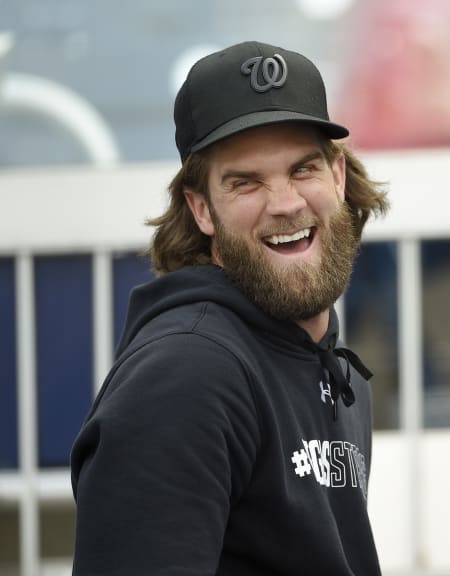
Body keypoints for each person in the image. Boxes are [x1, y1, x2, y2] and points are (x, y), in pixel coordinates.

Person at [70, 40, 389, 575]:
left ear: (337, 176)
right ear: (202, 209)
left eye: (303, 169)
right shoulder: (186, 376)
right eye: (246, 182)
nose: (285, 202)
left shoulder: (327, 366)